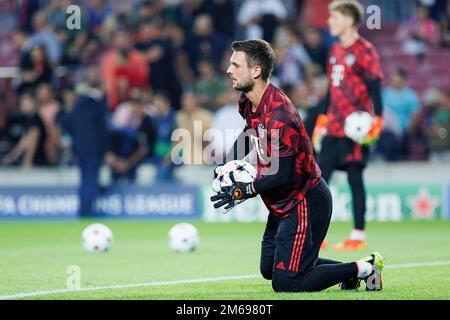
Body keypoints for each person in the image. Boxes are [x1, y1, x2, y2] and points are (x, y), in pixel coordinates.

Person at [210, 38, 384, 292]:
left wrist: (243, 190)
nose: (228, 70)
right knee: (270, 268)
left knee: (286, 282)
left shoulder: (280, 115)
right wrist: (224, 166)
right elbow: (250, 132)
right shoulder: (249, 101)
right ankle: (354, 272)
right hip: (283, 201)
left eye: (235, 64)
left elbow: (284, 174)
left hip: (304, 201)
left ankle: (366, 268)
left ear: (256, 71)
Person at [312, 0, 384, 251]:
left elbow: (375, 86)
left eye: (334, 17)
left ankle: (358, 235)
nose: (329, 22)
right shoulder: (334, 52)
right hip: (333, 126)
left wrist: (378, 119)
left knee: (355, 178)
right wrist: (321, 119)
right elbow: (332, 91)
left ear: (349, 20)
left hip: (355, 127)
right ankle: (317, 235)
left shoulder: (365, 50)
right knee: (318, 180)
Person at [69, 68, 109, 217]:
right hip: (94, 149)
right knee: (91, 180)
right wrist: (106, 149)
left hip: (80, 148)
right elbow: (101, 129)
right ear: (101, 87)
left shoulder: (79, 102)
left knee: (84, 180)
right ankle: (88, 212)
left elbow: (70, 123)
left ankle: (83, 210)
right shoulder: (98, 104)